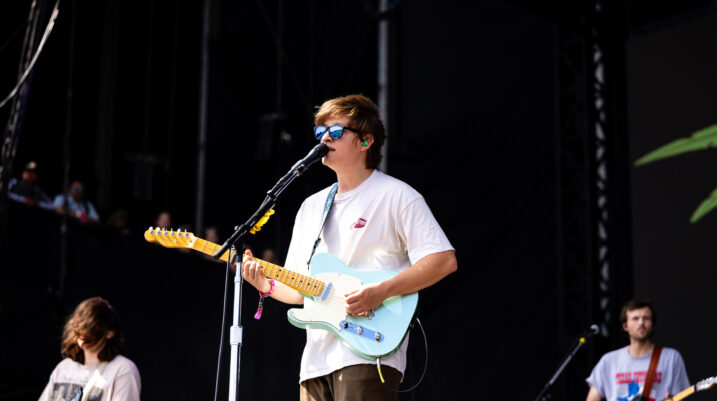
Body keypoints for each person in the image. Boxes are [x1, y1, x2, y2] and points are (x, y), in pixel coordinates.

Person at [241, 94, 457, 401]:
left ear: (366, 141)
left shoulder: (397, 196)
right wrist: (263, 283)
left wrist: (380, 291)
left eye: (336, 131)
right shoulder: (311, 207)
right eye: (320, 132)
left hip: (368, 350)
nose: (325, 138)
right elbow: (299, 291)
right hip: (315, 362)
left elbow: (443, 260)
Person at [39, 297, 141, 401]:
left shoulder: (122, 369)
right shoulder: (64, 367)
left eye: (91, 326)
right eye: (80, 324)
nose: (83, 331)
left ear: (110, 332)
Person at [585, 299, 689, 401]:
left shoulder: (671, 358)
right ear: (625, 326)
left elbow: (682, 396)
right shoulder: (608, 361)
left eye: (646, 318)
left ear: (652, 324)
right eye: (635, 318)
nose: (641, 323)